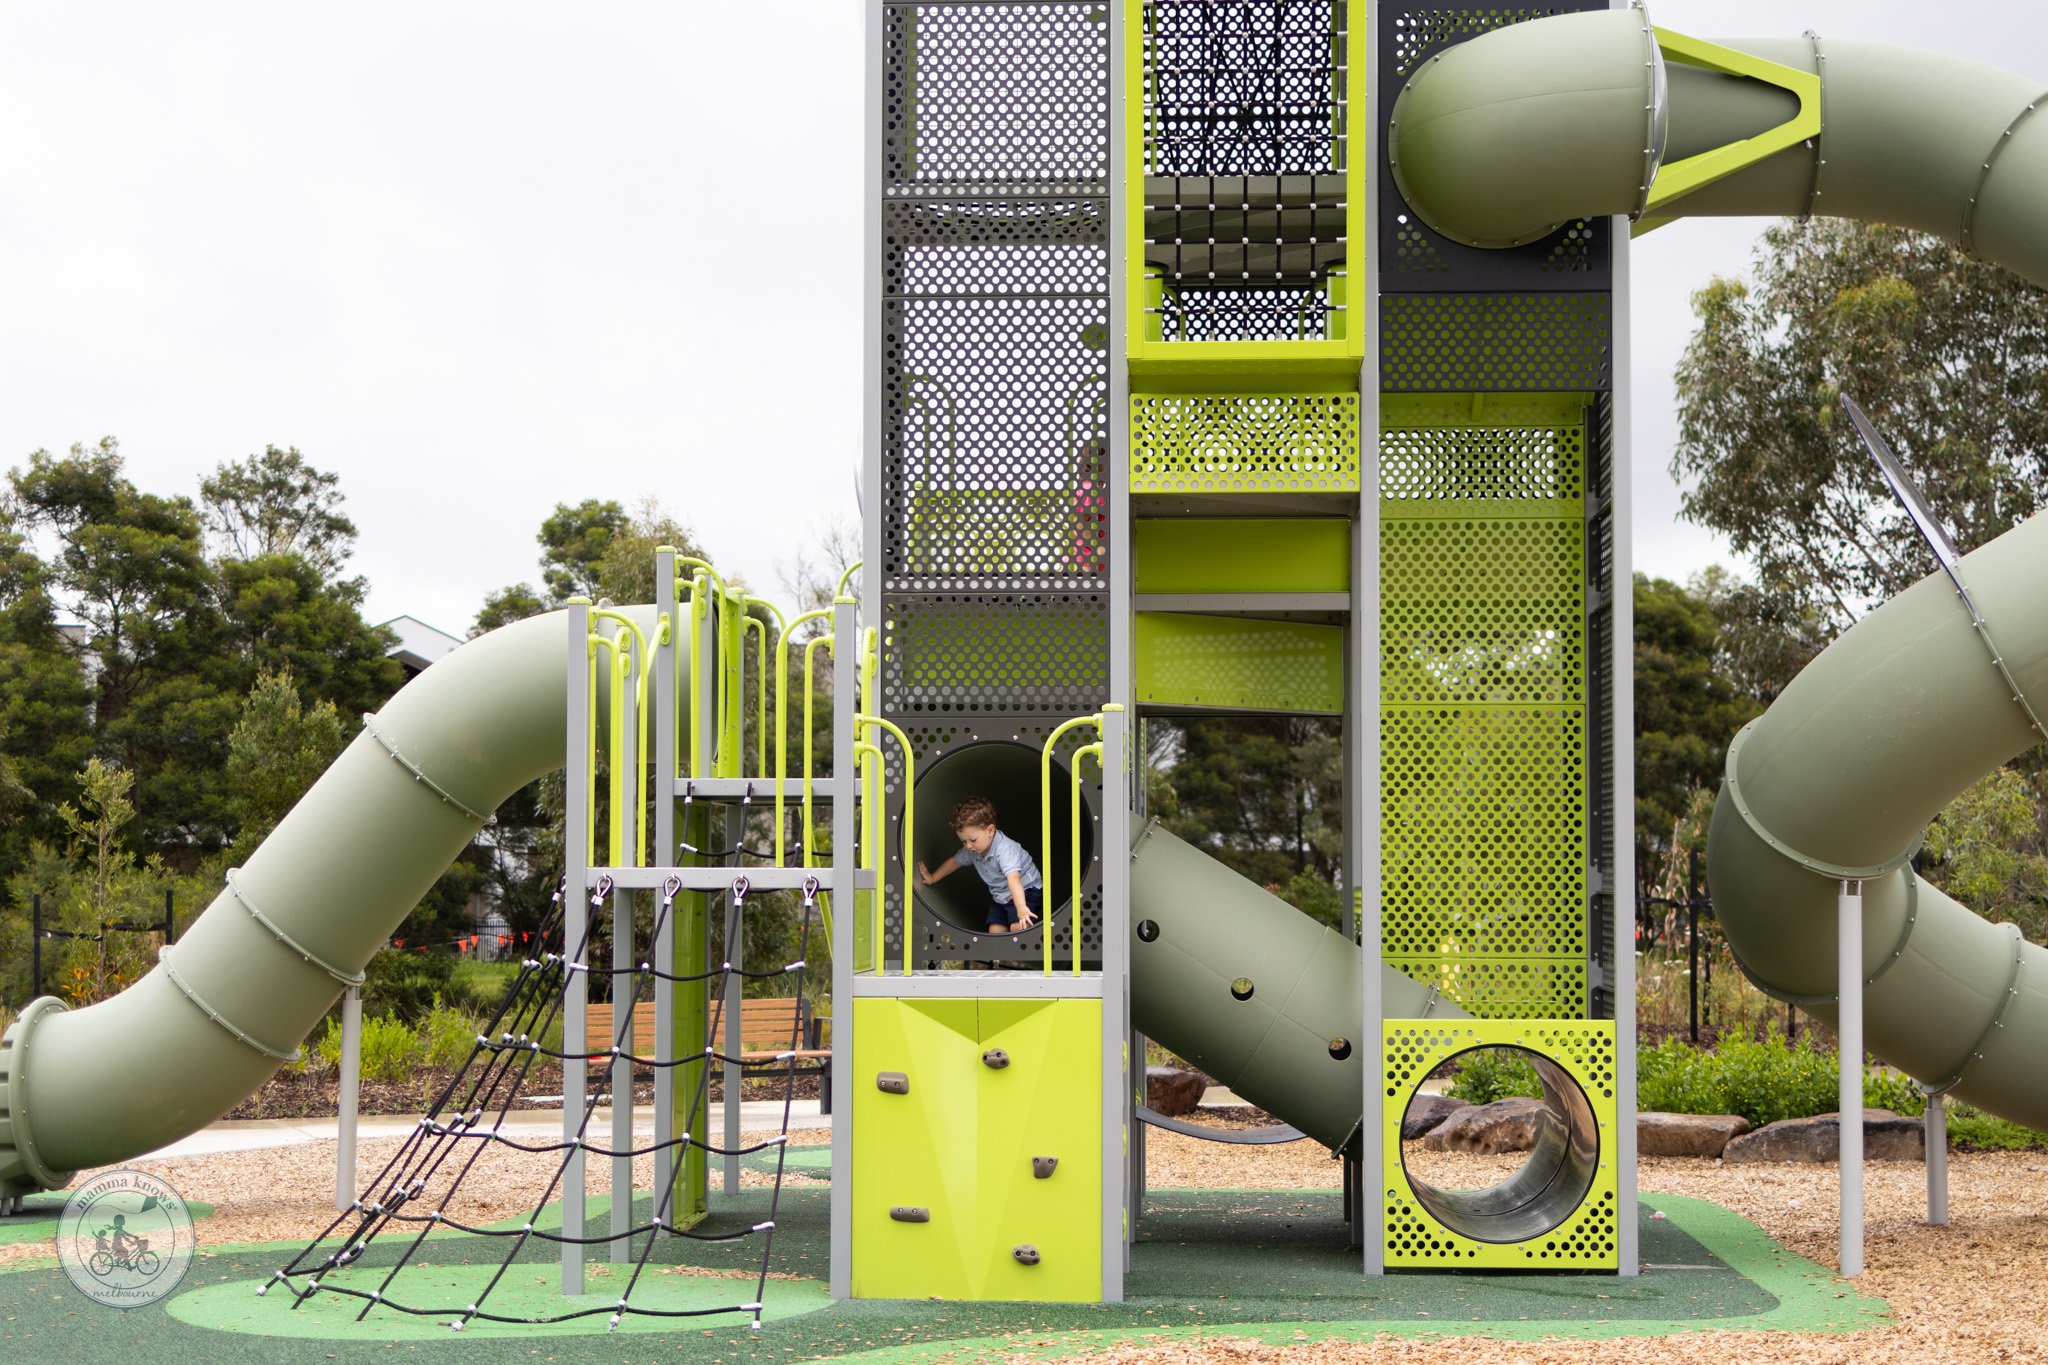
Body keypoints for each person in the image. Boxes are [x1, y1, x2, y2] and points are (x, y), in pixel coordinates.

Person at [917, 795, 1043, 934]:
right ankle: (1003, 956)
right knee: (995, 932)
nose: (968, 846)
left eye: (973, 840)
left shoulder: (1005, 850)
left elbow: (1014, 878)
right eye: (964, 841)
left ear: (990, 830)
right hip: (1002, 896)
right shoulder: (973, 850)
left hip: (1027, 889)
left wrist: (1021, 908)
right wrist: (932, 878)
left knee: (1017, 927)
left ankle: (1020, 954)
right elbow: (953, 862)